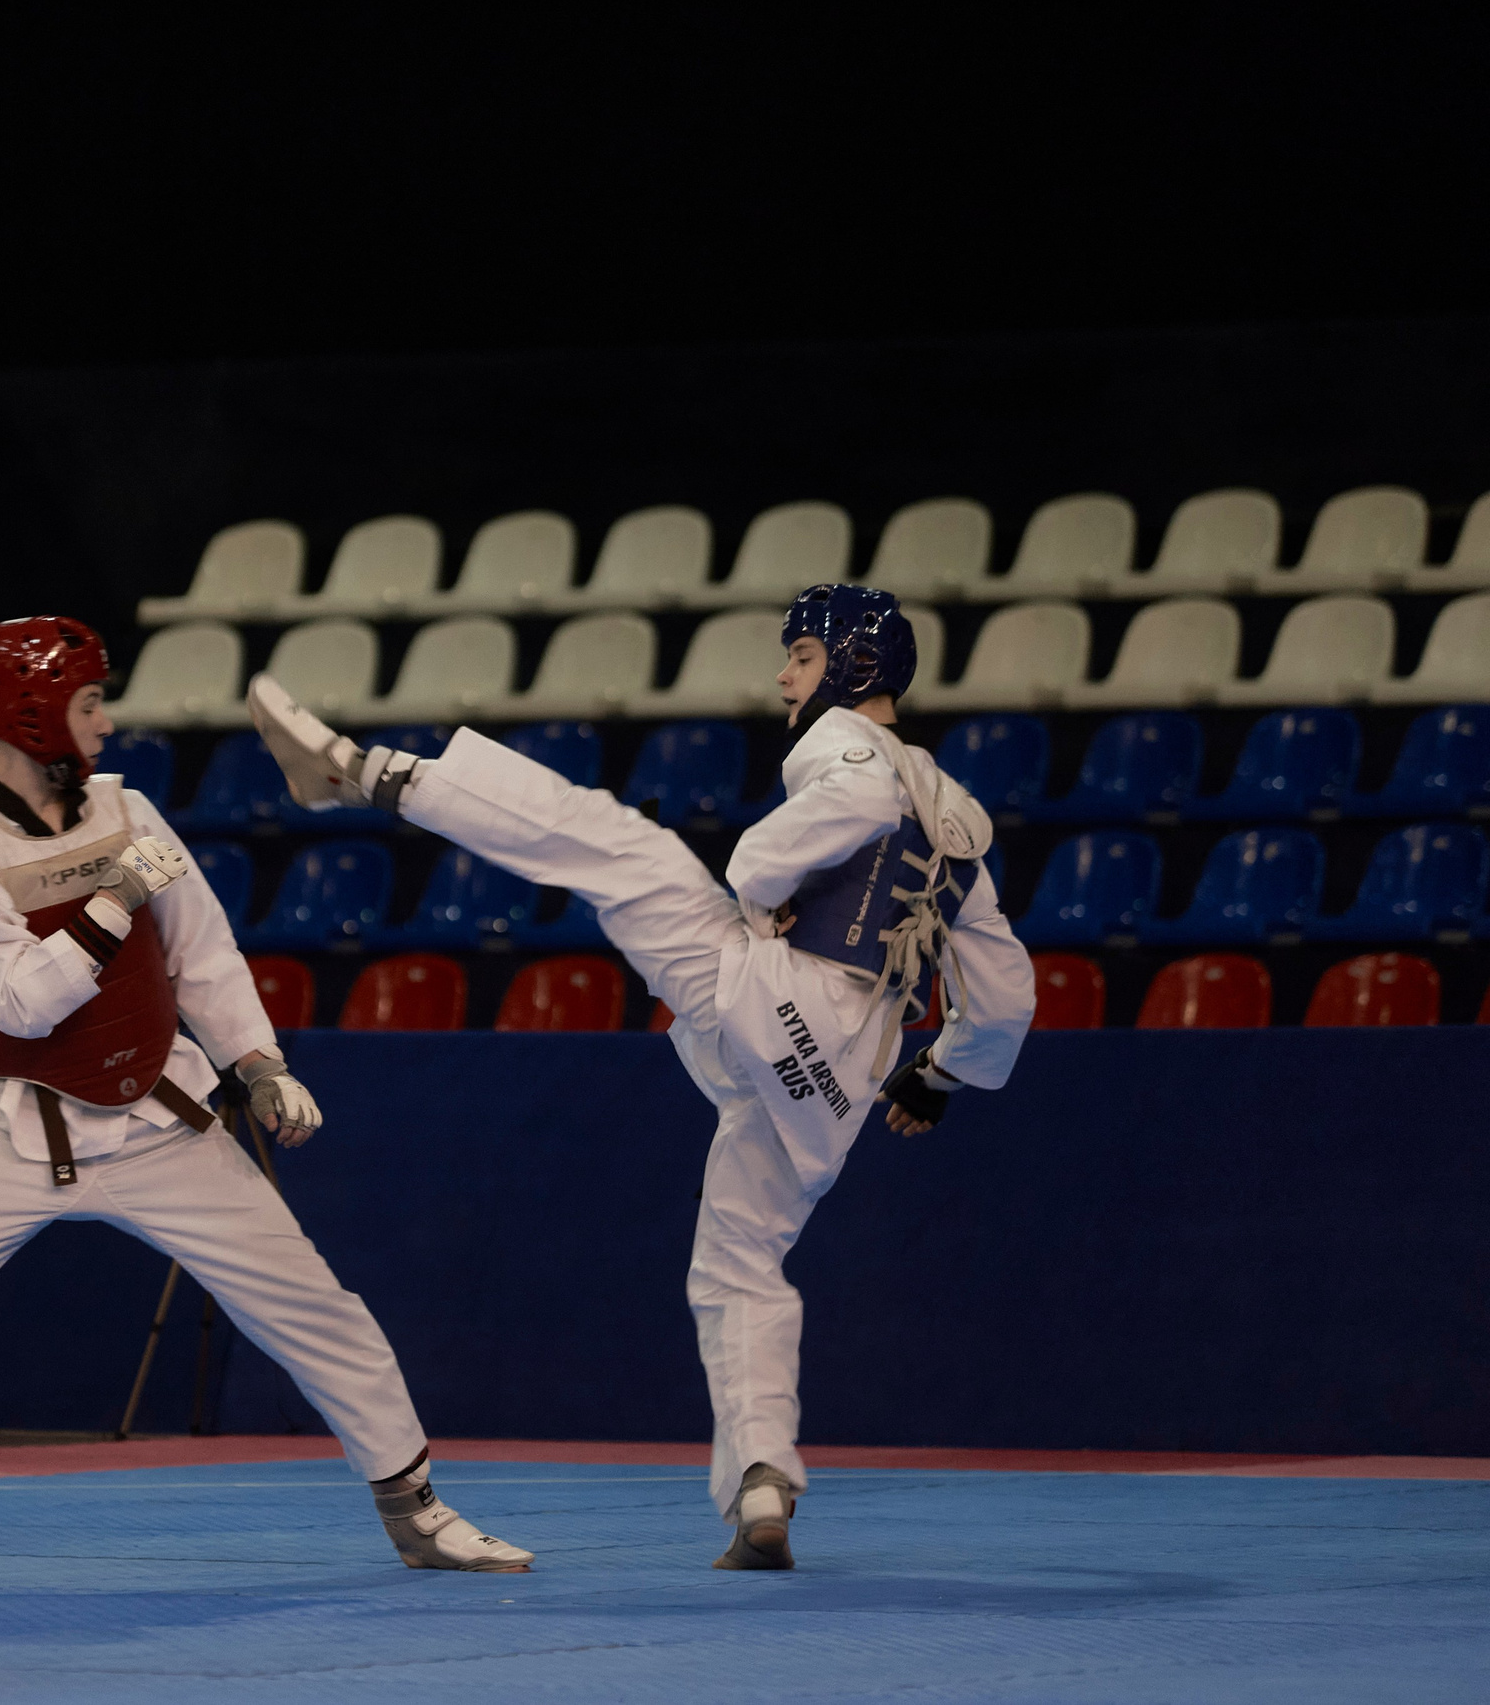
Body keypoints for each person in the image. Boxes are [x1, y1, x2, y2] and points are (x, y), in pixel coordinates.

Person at [0, 616, 531, 1585]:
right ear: (35, 715)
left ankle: (418, 1513)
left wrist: (259, 1066)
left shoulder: (129, 810)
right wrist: (112, 901)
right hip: (17, 1130)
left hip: (163, 1123)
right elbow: (16, 1002)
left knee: (316, 1306)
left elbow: (202, 951)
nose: (106, 723)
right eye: (88, 704)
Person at [250, 584, 1036, 1570]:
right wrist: (940, 1075)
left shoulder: (847, 745)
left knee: (617, 845)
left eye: (800, 656)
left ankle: (367, 773)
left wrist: (759, 888)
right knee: (742, 1262)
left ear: (854, 666)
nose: (783, 678)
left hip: (775, 1000)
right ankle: (762, 1482)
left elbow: (850, 807)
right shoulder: (963, 822)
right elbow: (1005, 997)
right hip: (840, 1079)